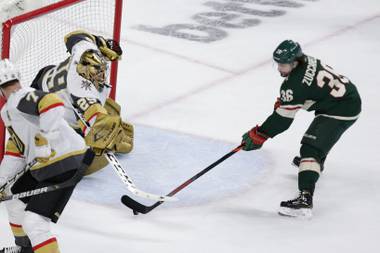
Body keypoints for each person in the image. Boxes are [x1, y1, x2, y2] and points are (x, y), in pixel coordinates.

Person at [241, 40, 361, 218]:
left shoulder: (294, 85)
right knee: (316, 145)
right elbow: (311, 91)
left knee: (309, 149)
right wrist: (288, 103)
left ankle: (305, 200)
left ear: (295, 62)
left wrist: (260, 134)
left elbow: (283, 120)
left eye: (283, 64)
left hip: (341, 109)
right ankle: (314, 163)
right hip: (345, 100)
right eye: (278, 63)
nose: (279, 68)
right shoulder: (306, 60)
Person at [0, 59, 93, 253]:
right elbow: (16, 151)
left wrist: (45, 137)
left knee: (34, 222)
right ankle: (25, 249)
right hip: (46, 168)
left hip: (65, 163)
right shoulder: (7, 111)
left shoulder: (20, 97)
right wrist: (1, 183)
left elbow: (52, 103)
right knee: (14, 201)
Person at [31, 30, 134, 175]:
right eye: (95, 73)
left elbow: (72, 37)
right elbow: (95, 119)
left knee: (111, 110)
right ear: (85, 72)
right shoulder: (81, 92)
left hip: (42, 81)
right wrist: (108, 137)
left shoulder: (84, 50)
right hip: (42, 116)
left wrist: (99, 43)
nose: (101, 75)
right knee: (91, 160)